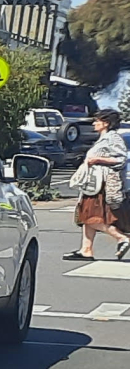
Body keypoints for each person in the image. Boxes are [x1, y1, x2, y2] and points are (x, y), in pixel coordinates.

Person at [71, 110, 128, 260]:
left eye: (97, 120)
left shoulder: (112, 138)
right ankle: (86, 250)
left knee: (90, 216)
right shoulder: (104, 138)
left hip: (101, 185)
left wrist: (97, 160)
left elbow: (121, 159)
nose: (94, 123)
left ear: (106, 123)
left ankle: (121, 238)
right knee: (87, 215)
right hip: (93, 184)